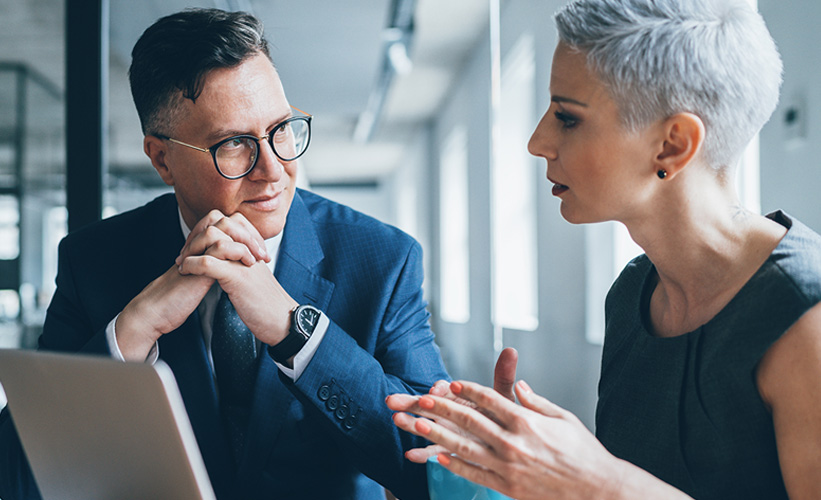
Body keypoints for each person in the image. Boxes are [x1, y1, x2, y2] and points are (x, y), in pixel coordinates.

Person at [0, 8, 449, 500]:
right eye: (234, 144)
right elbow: (16, 479)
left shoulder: (384, 260)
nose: (274, 169)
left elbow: (434, 467)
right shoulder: (94, 261)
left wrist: (294, 333)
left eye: (281, 128)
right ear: (162, 159)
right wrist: (132, 330)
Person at [387, 0, 821, 498]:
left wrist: (594, 480)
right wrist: (525, 462)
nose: (536, 141)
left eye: (567, 118)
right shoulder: (633, 293)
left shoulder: (805, 316)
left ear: (672, 145)